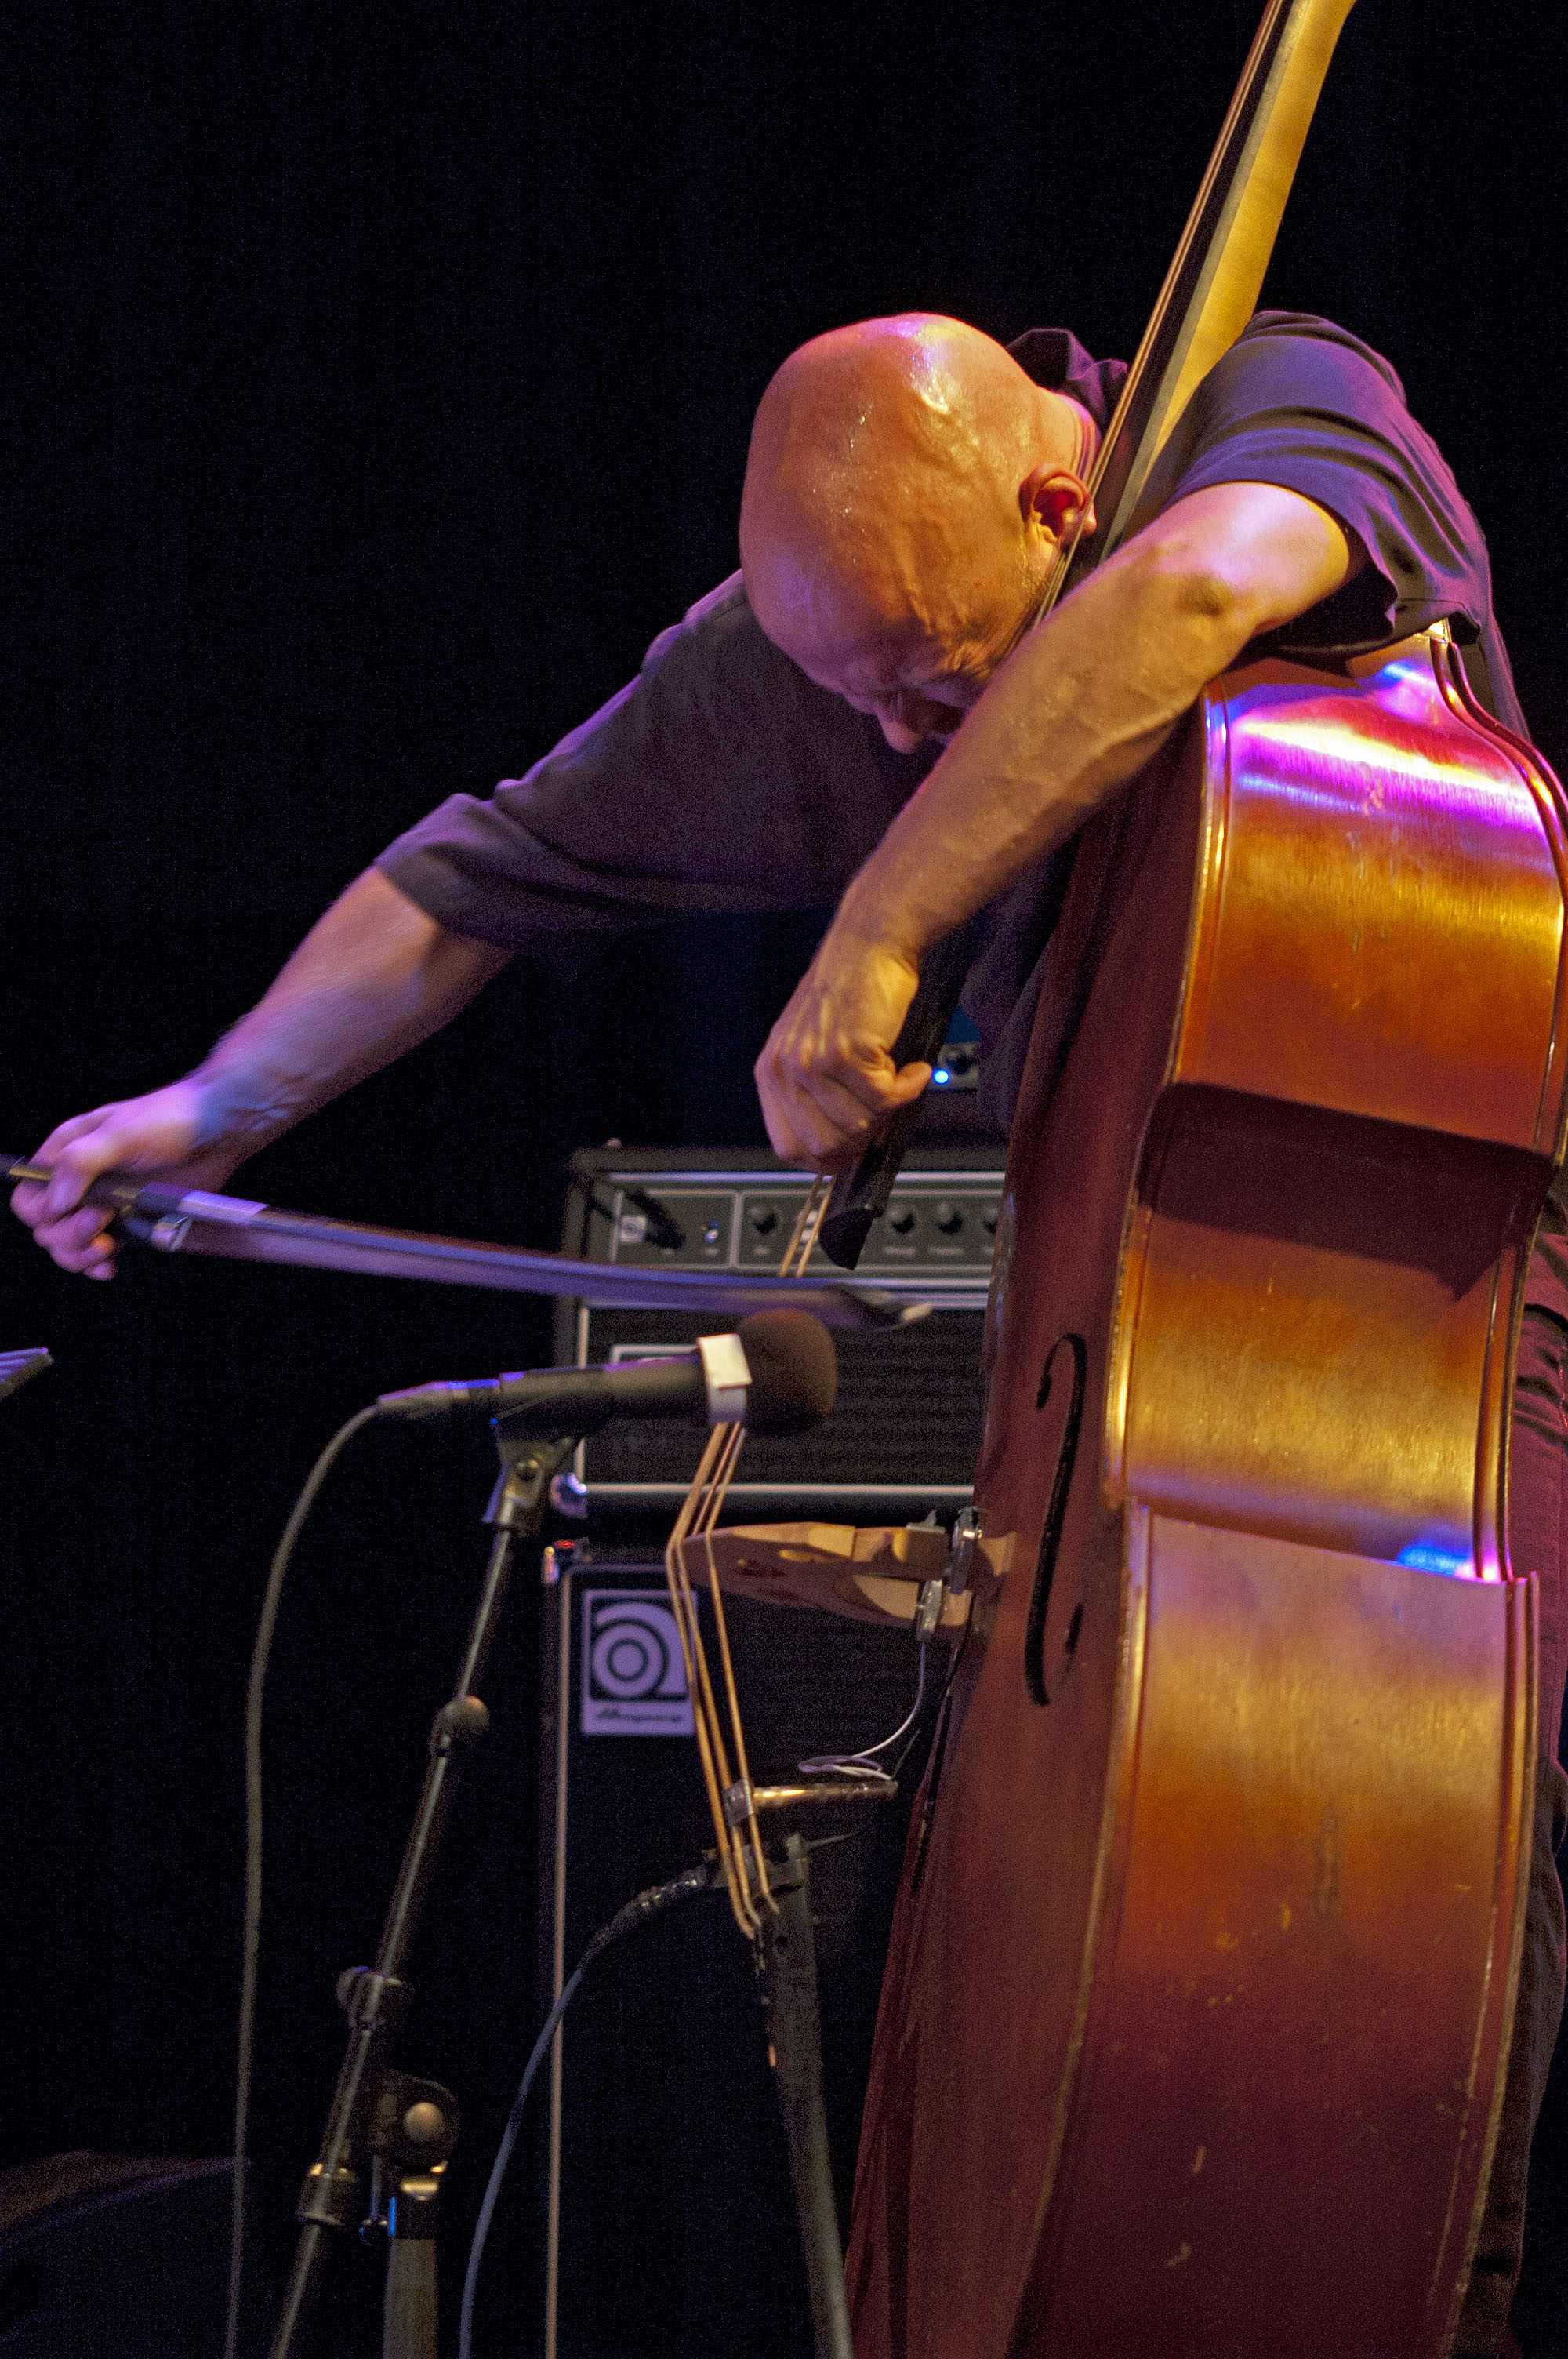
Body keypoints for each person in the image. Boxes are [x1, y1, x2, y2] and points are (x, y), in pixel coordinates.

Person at [13, 311, 1564, 2355]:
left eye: (931, 679)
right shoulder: (831, 654)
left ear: (1058, 500)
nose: (902, 742)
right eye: (863, 706)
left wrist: (878, 928)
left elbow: (1200, 585)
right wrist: (213, 1103)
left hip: (1433, 1339)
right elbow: (479, 874)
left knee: (1433, 1948)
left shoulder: (1259, 410)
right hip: (1108, 1426)